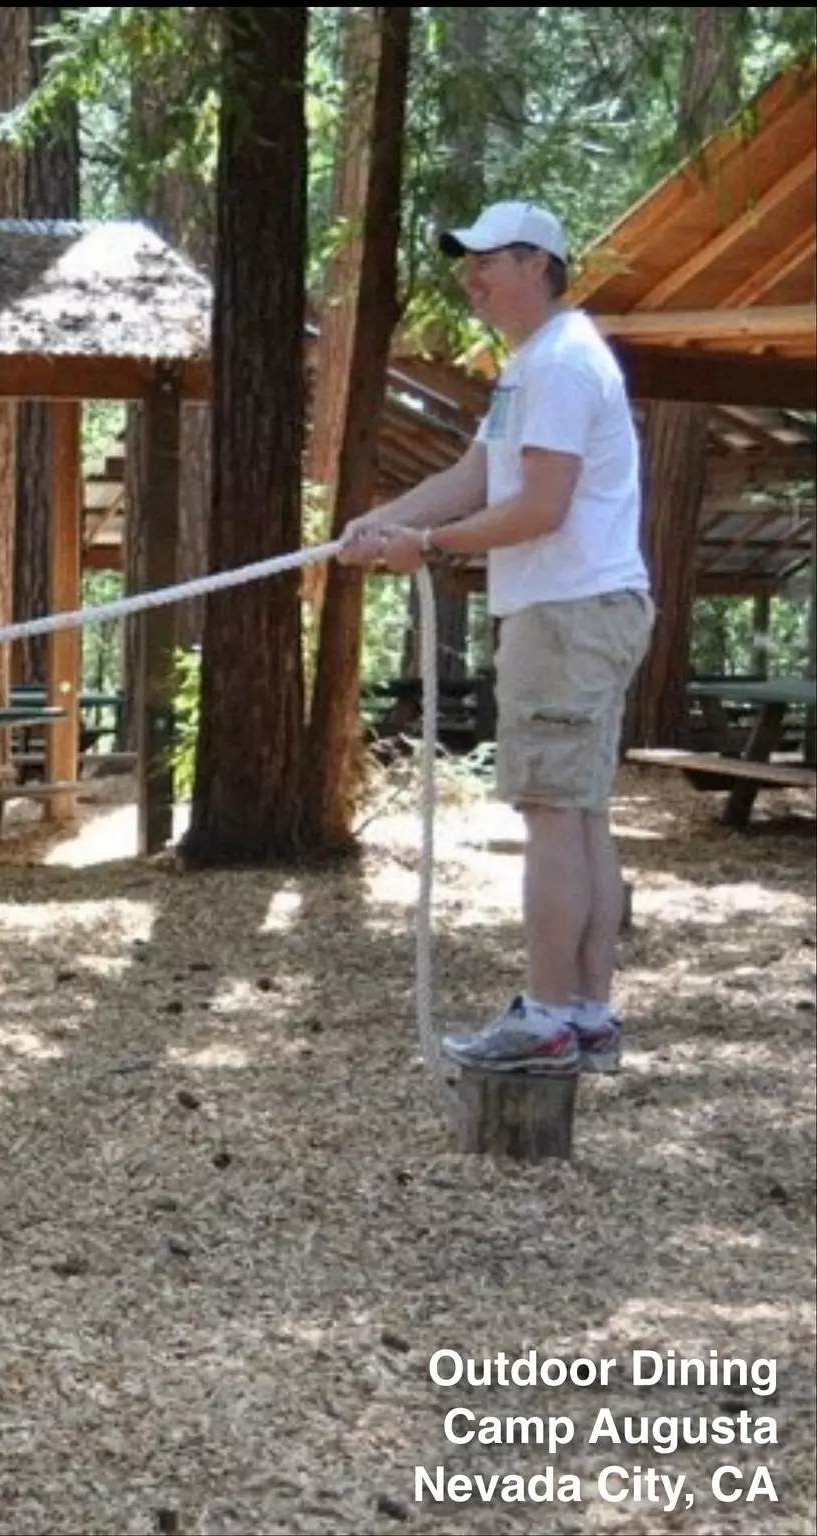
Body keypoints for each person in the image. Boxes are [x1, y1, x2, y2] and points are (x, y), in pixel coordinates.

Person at [339, 200, 654, 1078]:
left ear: (536, 264)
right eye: (467, 260)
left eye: (488, 260)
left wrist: (427, 546)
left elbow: (540, 508)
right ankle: (586, 1015)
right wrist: (380, 522)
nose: (471, 277)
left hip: (569, 614)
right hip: (578, 610)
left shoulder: (559, 363)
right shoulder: (535, 366)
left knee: (552, 813)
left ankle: (551, 1015)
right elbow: (478, 473)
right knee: (578, 810)